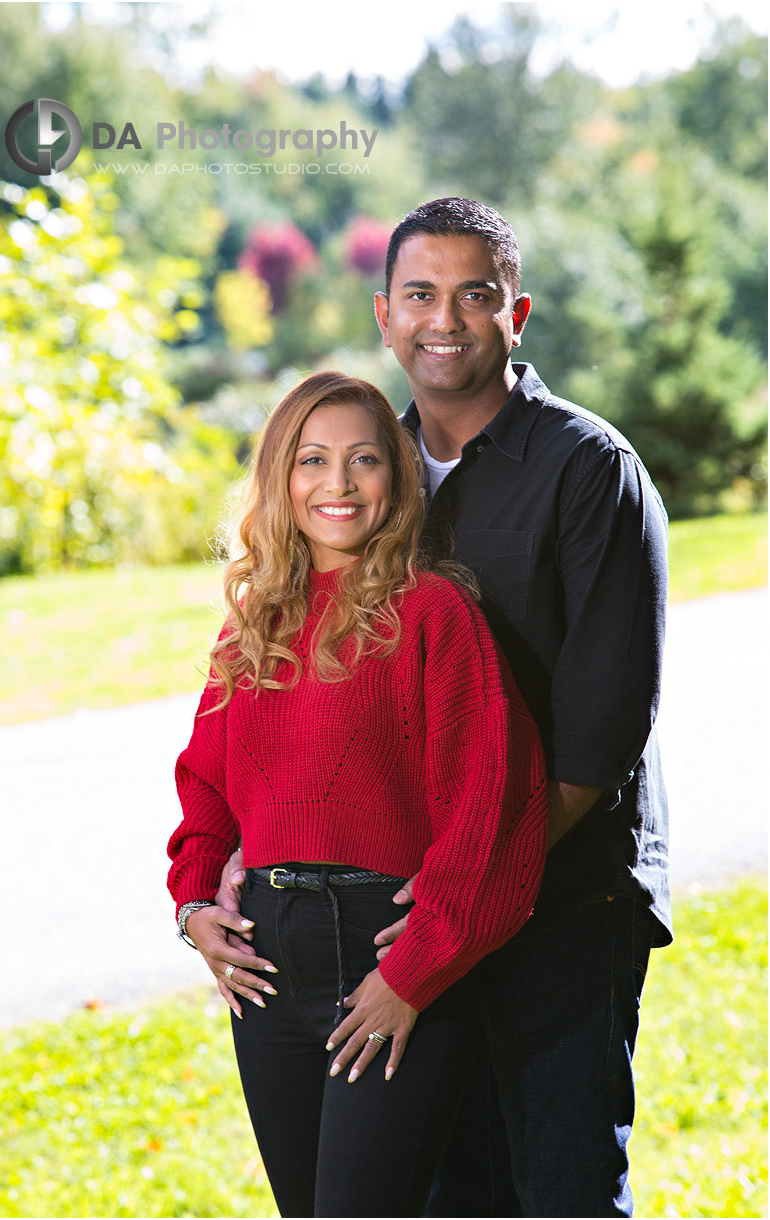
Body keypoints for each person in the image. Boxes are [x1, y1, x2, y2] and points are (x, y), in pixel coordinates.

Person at [217, 199, 671, 1218]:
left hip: (560, 900)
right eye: (421, 294)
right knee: (442, 1191)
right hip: (407, 921)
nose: (446, 319)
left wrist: (461, 892)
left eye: (475, 295)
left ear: (518, 312)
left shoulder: (591, 469)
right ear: (385, 314)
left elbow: (600, 735)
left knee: (558, 1186)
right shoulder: (370, 469)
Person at [167, 371, 549, 1219]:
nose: (336, 484)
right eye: (310, 460)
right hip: (265, 961)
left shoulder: (435, 612)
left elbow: (495, 806)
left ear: (398, 477)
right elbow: (206, 790)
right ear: (280, 478)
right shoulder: (255, 621)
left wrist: (413, 975)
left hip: (384, 951)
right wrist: (194, 907)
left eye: (362, 460)